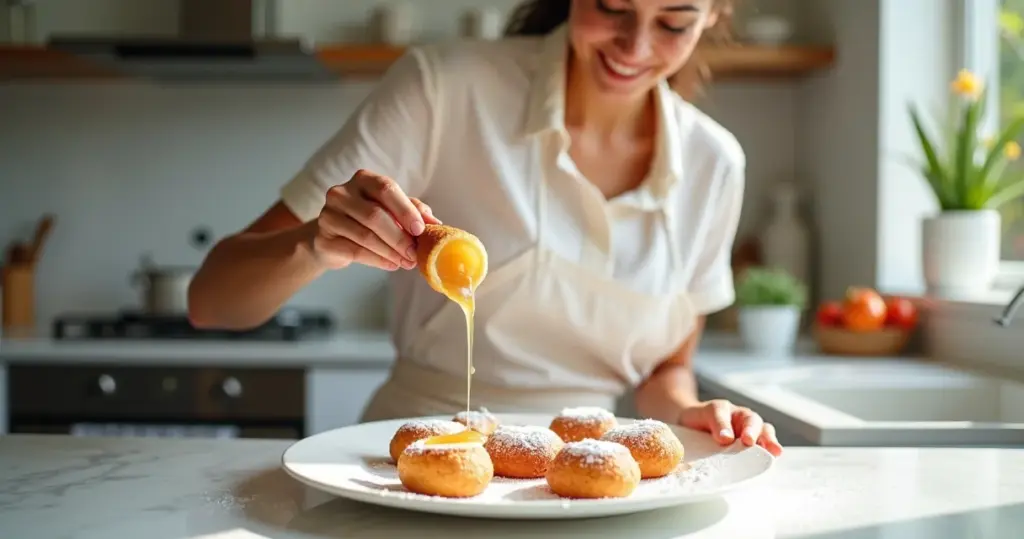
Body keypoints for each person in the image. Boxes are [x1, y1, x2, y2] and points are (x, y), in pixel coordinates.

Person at [188, 0, 783, 456]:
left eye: (674, 23)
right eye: (612, 6)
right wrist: (315, 244)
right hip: (415, 461)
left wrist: (691, 410)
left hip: (587, 480)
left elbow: (665, 371)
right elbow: (210, 302)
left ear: (713, 16)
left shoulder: (714, 163)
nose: (635, 44)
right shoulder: (446, 87)